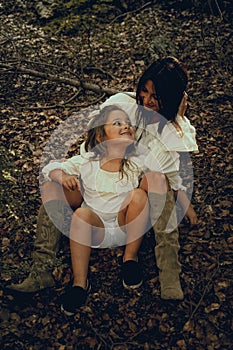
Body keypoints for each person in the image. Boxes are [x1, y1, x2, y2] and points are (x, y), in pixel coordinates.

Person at [8, 56, 198, 301]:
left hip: (132, 199)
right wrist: (78, 175)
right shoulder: (122, 104)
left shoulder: (168, 127)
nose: (147, 101)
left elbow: (168, 174)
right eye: (145, 91)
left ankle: (169, 273)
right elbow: (92, 143)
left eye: (157, 96)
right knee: (53, 187)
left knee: (157, 179)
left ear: (171, 100)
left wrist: (183, 198)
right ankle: (42, 270)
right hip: (98, 186)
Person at [41, 105, 166, 315]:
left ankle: (130, 259)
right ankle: (80, 283)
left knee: (138, 195)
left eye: (128, 123)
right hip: (94, 228)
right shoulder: (88, 161)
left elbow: (160, 179)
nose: (126, 126)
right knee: (81, 214)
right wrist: (62, 177)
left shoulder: (137, 161)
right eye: (117, 123)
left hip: (125, 224)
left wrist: (153, 184)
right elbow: (49, 169)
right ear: (100, 136)